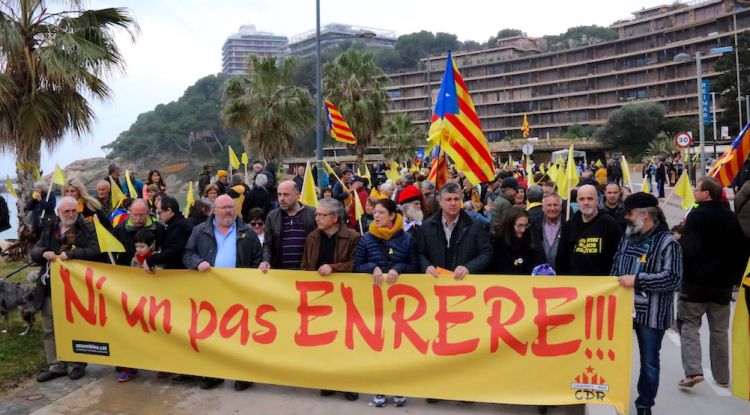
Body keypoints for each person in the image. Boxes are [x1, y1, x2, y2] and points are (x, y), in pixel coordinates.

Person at [182, 194, 262, 391]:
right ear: (213, 210)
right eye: (223, 207)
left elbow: (257, 258)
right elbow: (187, 253)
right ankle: (213, 373)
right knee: (211, 334)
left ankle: (243, 374)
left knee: (240, 334)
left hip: (239, 293)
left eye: (231, 207)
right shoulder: (199, 231)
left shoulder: (247, 232)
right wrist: (197, 262)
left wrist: (254, 277)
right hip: (210, 293)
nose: (228, 211)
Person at [611, 192, 682, 415]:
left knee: (649, 363)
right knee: (613, 357)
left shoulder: (668, 243)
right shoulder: (627, 237)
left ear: (644, 215)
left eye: (629, 214)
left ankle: (644, 405)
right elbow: (616, 267)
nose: (626, 218)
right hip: (622, 311)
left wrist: (638, 280)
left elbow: (673, 278)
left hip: (651, 315)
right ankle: (612, 397)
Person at [677, 177, 748, 389]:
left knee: (689, 326)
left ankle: (693, 371)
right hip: (722, 287)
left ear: (706, 194)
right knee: (719, 332)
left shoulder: (696, 216)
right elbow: (742, 249)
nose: (694, 192)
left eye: (697, 189)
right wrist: (735, 278)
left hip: (695, 286)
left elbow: (687, 249)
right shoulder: (730, 217)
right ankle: (722, 376)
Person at [353, 197, 417, 408]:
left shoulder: (407, 239)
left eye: (381, 212)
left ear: (392, 215)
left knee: (398, 347)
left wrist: (398, 268)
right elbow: (357, 265)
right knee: (378, 346)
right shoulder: (367, 238)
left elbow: (414, 264)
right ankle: (379, 386)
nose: (376, 215)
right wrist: (373, 267)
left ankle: (399, 386)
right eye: (375, 212)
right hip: (375, 303)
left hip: (400, 303)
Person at [31, 196, 99, 382]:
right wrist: (43, 253)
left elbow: (95, 251)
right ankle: (55, 364)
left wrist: (71, 253)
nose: (70, 214)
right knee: (49, 327)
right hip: (50, 285)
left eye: (73, 211)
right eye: (66, 211)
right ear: (58, 213)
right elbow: (34, 252)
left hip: (75, 287)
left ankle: (76, 363)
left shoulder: (87, 227)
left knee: (75, 324)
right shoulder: (49, 227)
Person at [301, 199, 361, 399]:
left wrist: (333, 268)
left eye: (322, 215)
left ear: (335, 217)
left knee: (345, 342)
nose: (317, 218)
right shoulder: (312, 237)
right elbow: (305, 266)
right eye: (316, 214)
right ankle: (328, 380)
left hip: (344, 299)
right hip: (319, 300)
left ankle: (349, 383)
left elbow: (357, 264)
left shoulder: (353, 237)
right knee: (324, 342)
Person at [417, 182, 492, 283]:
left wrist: (468, 268)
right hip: (436, 285)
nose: (453, 203)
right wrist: (426, 266)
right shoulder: (426, 226)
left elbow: (487, 253)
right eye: (448, 199)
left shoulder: (476, 225)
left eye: (456, 199)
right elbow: (419, 253)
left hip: (465, 285)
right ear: (440, 201)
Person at [556, 184, 622, 276]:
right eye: (582, 199)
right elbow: (561, 259)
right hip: (575, 284)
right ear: (577, 201)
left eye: (590, 198)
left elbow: (617, 257)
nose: (586, 202)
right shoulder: (568, 226)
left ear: (598, 201)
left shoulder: (611, 225)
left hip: (602, 285)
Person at [259, 180, 317, 272]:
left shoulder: (313, 214)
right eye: (279, 194)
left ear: (297, 195)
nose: (281, 198)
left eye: (286, 195)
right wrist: (266, 261)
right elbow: (268, 244)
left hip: (307, 273)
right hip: (281, 275)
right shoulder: (272, 216)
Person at [143, 195, 194, 272]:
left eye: (159, 212)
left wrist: (151, 259)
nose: (158, 216)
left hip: (181, 273)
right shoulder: (178, 223)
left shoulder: (178, 227)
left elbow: (174, 251)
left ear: (169, 211)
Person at [112, 199, 164, 266]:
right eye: (135, 215)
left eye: (142, 215)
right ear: (130, 212)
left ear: (148, 212)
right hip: (126, 272)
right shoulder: (119, 230)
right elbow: (113, 254)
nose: (138, 219)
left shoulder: (159, 229)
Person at [493, 206, 542, 274]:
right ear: (510, 224)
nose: (523, 230)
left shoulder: (531, 235)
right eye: (519, 225)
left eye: (526, 225)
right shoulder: (498, 240)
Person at [530, 192, 563, 270]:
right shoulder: (533, 226)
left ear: (561, 207)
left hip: (562, 276)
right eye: (549, 205)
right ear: (543, 208)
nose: (552, 208)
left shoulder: (568, 226)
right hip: (539, 276)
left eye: (555, 205)